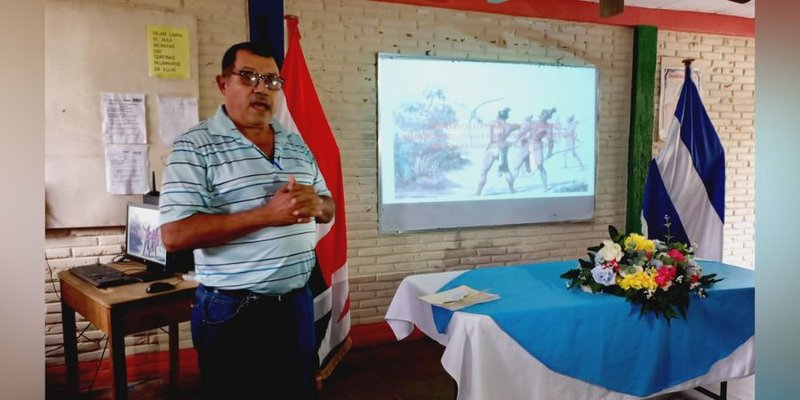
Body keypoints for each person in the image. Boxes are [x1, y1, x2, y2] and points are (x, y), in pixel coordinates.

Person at [159, 42, 334, 400]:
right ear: (223, 84)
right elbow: (174, 235)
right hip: (233, 310)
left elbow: (329, 208)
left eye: (271, 80)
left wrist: (316, 203)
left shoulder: (296, 144)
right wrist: (267, 215)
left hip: (296, 304)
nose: (261, 88)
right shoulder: (194, 147)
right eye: (248, 77)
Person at [474, 107, 521, 195]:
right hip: (502, 147)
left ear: (498, 116)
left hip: (493, 147)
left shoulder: (493, 123)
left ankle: (478, 192)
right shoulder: (510, 126)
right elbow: (522, 126)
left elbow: (480, 121)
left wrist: (475, 116)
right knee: (506, 170)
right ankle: (512, 190)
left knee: (483, 172)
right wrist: (513, 142)